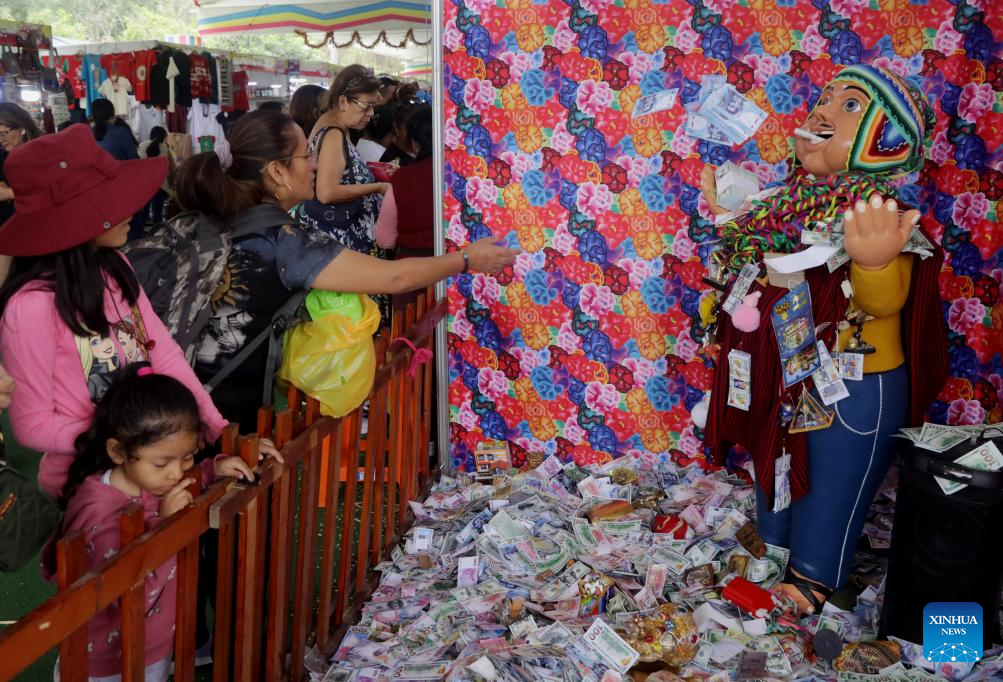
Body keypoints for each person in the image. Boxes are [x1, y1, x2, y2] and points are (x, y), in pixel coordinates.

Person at [702, 65, 948, 614]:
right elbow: (761, 273)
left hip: (854, 384)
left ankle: (815, 577)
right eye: (824, 98)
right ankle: (774, 548)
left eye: (851, 106)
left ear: (887, 140)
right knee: (775, 467)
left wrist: (877, 261)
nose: (823, 111)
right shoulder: (783, 205)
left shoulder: (881, 217)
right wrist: (732, 218)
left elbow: (885, 303)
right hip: (787, 371)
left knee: (831, 484)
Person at [175, 108, 518, 431]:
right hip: (224, 410)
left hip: (186, 391)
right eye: (305, 155)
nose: (313, 164)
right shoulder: (284, 241)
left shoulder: (223, 219)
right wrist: (468, 260)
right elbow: (393, 278)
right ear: (277, 171)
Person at [0, 124, 230, 499]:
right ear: (75, 218)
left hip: (150, 468)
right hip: (89, 487)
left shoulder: (116, 268)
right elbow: (31, 424)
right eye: (110, 199)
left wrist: (212, 425)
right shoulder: (30, 308)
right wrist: (130, 441)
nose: (131, 208)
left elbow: (163, 353)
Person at [49, 366, 254, 682]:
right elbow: (122, 586)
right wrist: (164, 524)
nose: (176, 473)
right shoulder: (97, 512)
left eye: (186, 457)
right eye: (163, 462)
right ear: (118, 451)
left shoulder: (151, 479)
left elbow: (189, 477)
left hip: (154, 643)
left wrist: (215, 467)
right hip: (104, 661)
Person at [375, 105, 433, 257]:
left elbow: (384, 239)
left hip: (411, 267)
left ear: (415, 143)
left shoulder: (402, 178)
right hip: (456, 266)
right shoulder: (463, 175)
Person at [91, 98, 145, 240]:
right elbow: (134, 161)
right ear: (112, 113)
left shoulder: (87, 134)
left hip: (97, 193)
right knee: (131, 229)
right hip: (123, 190)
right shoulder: (120, 132)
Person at [0, 103, 44, 227]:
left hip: (37, 227)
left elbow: (52, 195)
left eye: (3, 133)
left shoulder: (44, 155)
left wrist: (10, 193)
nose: (0, 139)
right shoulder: (2, 156)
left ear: (22, 128)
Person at [139, 126, 175, 225]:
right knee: (157, 214)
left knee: (143, 213)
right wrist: (172, 181)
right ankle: (156, 235)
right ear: (163, 137)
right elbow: (173, 168)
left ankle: (141, 235)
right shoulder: (164, 148)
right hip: (160, 185)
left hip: (144, 185)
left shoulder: (142, 146)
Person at [379, 84, 422, 167]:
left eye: (419, 127)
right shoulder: (392, 164)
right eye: (409, 128)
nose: (415, 133)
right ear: (396, 128)